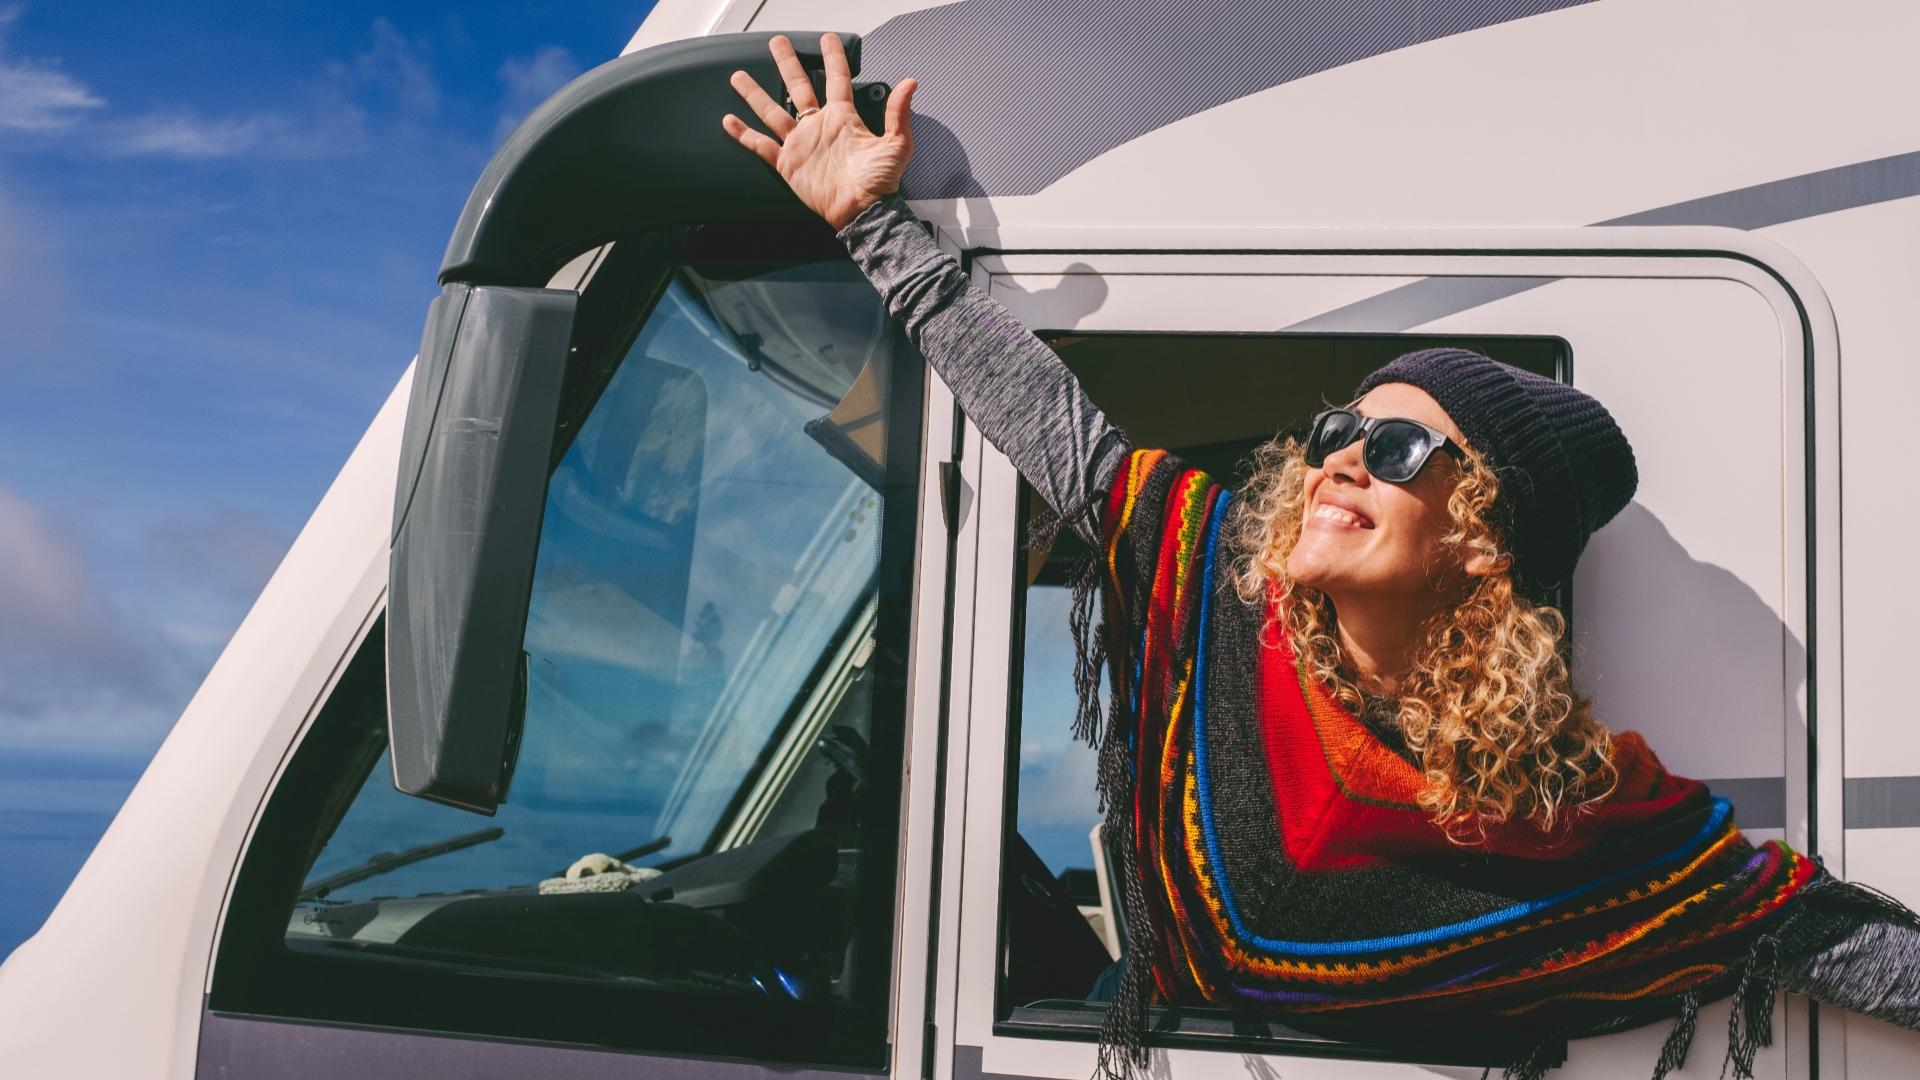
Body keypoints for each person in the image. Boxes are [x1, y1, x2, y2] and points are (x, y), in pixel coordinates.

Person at [722, 33, 1920, 1080]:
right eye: (1339, 433)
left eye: (1398, 446)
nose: (1341, 458)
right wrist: (867, 225)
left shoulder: (1574, 814)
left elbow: (1816, 935)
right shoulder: (1214, 597)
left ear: (1483, 537)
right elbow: (1061, 436)